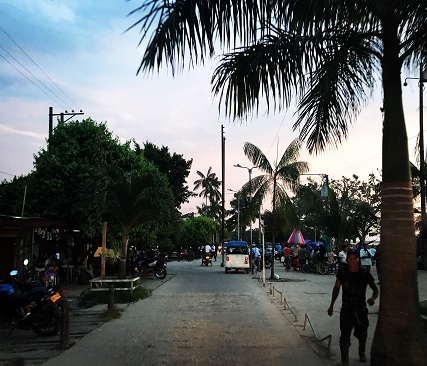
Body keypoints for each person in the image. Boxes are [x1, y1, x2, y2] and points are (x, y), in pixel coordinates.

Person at [327, 250, 379, 365]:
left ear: (358, 260)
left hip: (361, 309)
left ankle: (362, 353)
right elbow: (336, 288)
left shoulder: (364, 273)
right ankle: (345, 361)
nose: (352, 261)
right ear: (347, 260)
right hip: (346, 309)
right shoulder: (343, 272)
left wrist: (372, 299)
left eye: (354, 259)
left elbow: (375, 290)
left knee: (362, 334)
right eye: (349, 259)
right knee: (344, 335)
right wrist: (331, 305)